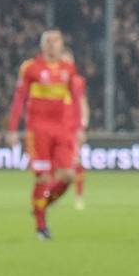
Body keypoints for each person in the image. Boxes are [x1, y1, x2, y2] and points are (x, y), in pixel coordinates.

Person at [7, 30, 82, 239]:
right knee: (44, 177)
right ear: (42, 46)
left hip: (62, 130)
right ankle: (41, 226)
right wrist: (12, 128)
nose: (52, 45)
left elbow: (74, 100)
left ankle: (42, 205)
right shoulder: (31, 68)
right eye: (48, 41)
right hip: (38, 130)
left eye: (56, 41)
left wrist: (78, 128)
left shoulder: (68, 68)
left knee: (68, 175)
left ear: (61, 45)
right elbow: (19, 99)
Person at [60, 49, 90, 210]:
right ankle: (50, 197)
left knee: (76, 162)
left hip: (72, 128)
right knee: (55, 165)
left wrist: (83, 125)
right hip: (56, 127)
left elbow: (83, 103)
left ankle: (79, 196)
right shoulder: (53, 80)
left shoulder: (78, 81)